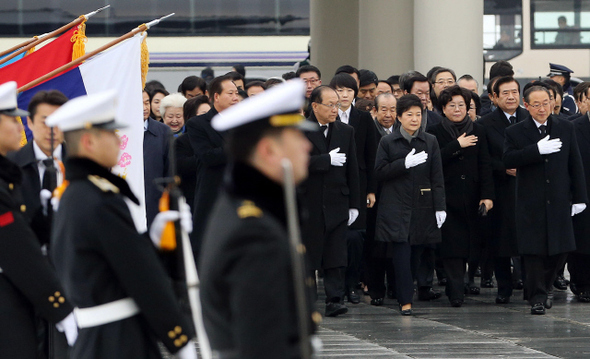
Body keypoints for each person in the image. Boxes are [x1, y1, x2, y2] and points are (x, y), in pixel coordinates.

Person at [48, 90, 197, 358]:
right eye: (110, 133)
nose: (119, 140)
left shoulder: (77, 194)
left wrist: (155, 240)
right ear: (89, 142)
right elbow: (140, 275)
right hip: (118, 342)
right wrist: (178, 336)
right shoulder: (98, 199)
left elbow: (114, 263)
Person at [200, 79, 319, 359]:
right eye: (297, 137)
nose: (307, 147)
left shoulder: (250, 208)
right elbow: (261, 341)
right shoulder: (254, 232)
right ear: (268, 150)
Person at [0, 81, 77, 359]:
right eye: (44, 121)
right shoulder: (11, 170)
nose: (52, 129)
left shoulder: (81, 167)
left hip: (69, 281)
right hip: (21, 288)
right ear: (30, 123)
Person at [503, 85, 587, 315]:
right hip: (531, 200)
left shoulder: (566, 127)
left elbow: (575, 163)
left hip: (559, 199)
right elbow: (508, 158)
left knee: (560, 250)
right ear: (526, 105)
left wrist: (579, 197)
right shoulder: (516, 131)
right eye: (537, 104)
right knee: (533, 252)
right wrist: (535, 150)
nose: (542, 109)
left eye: (546, 103)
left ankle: (541, 289)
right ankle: (538, 297)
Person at [374, 94, 446, 315]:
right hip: (395, 206)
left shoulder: (430, 140)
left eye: (418, 114)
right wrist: (403, 164)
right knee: (401, 254)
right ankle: (405, 300)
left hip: (422, 205)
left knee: (416, 254)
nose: (414, 119)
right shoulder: (387, 141)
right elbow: (379, 172)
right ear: (399, 117)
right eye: (409, 115)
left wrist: (440, 206)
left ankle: (404, 290)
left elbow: (437, 177)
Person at [428, 85, 495, 307]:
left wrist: (487, 195)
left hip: (473, 196)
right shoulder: (434, 132)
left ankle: (465, 283)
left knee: (472, 245)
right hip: (447, 197)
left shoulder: (479, 129)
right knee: (451, 248)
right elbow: (433, 160)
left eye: (461, 105)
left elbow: (485, 165)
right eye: (451, 106)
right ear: (443, 109)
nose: (457, 109)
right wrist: (457, 145)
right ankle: (456, 292)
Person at [300, 85, 360, 317]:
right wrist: (324, 160)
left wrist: (354, 203)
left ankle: (335, 299)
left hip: (337, 201)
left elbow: (353, 170)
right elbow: (296, 163)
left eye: (337, 104)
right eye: (330, 105)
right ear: (314, 106)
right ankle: (307, 300)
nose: (336, 109)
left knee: (336, 253)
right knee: (309, 253)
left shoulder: (346, 131)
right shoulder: (298, 130)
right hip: (309, 201)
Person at [478, 76, 528, 303]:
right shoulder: (485, 124)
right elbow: (484, 160)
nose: (511, 97)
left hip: (528, 188)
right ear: (494, 97)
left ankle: (532, 287)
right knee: (501, 242)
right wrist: (504, 167)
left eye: (514, 92)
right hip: (501, 189)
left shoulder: (529, 118)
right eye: (505, 93)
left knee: (529, 242)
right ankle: (504, 288)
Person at [329, 73, 379, 304]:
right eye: (340, 90)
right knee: (336, 239)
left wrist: (371, 189)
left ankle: (351, 285)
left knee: (357, 238)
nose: (345, 95)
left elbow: (371, 156)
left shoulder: (363, 118)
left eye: (349, 90)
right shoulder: (326, 117)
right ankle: (335, 288)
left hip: (358, 183)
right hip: (332, 183)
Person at [186, 74, 239, 258]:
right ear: (216, 97)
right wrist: (240, 146)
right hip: (213, 194)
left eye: (237, 93)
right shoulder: (198, 124)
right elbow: (207, 156)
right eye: (230, 93)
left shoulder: (243, 121)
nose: (235, 97)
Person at [143, 89, 172, 228]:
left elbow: (170, 170)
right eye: (139, 103)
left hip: (156, 203)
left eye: (146, 102)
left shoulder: (163, 131)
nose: (144, 108)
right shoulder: (119, 133)